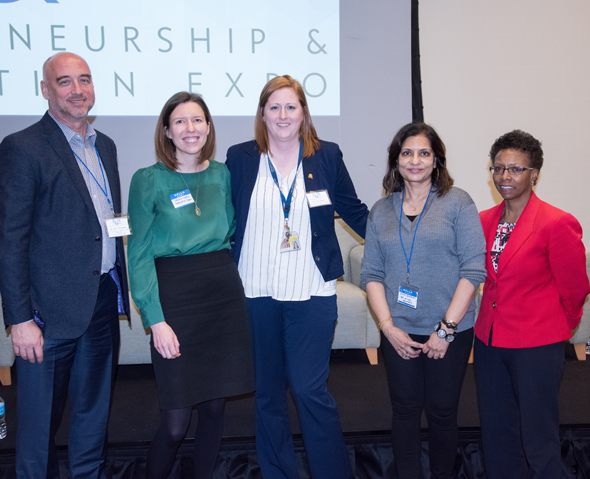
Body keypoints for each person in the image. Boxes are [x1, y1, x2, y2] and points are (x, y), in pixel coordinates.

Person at [225, 75, 368, 479]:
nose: (283, 115)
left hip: (312, 289)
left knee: (309, 390)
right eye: (274, 107)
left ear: (304, 112)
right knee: (268, 395)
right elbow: (224, 216)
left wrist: (396, 242)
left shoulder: (327, 155)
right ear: (262, 113)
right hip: (255, 292)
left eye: (291, 107)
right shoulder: (240, 157)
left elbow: (354, 210)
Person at [0, 52, 129, 478]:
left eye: (85, 80)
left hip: (101, 302)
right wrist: (20, 319)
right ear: (45, 90)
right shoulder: (22, 147)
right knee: (37, 435)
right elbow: (11, 238)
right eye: (65, 82)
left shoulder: (104, 145)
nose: (77, 90)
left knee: (92, 425)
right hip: (46, 315)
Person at [127, 92, 254, 479]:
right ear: (166, 131)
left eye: (197, 120)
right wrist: (156, 320)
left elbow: (231, 230)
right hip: (174, 299)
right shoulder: (147, 180)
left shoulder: (222, 174)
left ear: (209, 127)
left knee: (215, 409)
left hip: (222, 294)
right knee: (176, 422)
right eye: (180, 122)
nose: (190, 129)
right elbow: (138, 255)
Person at [360, 122, 486, 479]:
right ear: (395, 160)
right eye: (407, 153)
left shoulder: (457, 202)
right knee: (404, 409)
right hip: (398, 330)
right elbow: (371, 275)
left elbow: (474, 271)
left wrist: (445, 331)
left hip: (451, 330)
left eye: (424, 153)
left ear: (436, 160)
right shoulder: (382, 210)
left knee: (442, 411)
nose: (415, 160)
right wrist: (388, 328)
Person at [474, 130, 590, 479]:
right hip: (490, 342)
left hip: (537, 344)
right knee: (498, 434)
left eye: (516, 169)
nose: (505, 176)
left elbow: (575, 288)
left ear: (534, 173)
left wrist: (559, 326)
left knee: (538, 435)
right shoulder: (484, 220)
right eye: (498, 168)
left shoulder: (556, 222)